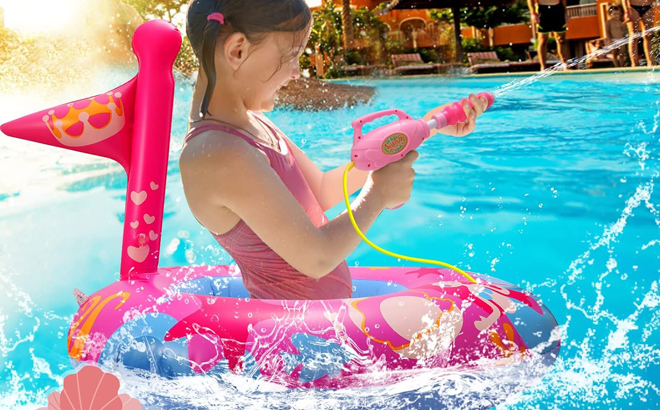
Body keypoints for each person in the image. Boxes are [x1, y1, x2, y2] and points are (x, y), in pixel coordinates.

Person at [179, 0, 489, 300]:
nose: (296, 72)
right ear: (238, 50)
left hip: (320, 329)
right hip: (293, 341)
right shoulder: (217, 152)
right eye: (291, 55)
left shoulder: (250, 126)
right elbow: (317, 258)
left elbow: (322, 192)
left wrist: (425, 128)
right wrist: (377, 195)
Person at [528, 0, 571, 70]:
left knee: (562, 39)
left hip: (557, 8)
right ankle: (543, 67)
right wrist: (533, 13)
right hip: (542, 9)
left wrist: (565, 11)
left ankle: (566, 66)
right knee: (543, 40)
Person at [622, 0, 656, 66]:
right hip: (633, 7)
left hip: (647, 6)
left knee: (649, 35)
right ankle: (634, 64)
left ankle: (650, 62)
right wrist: (626, 11)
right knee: (634, 35)